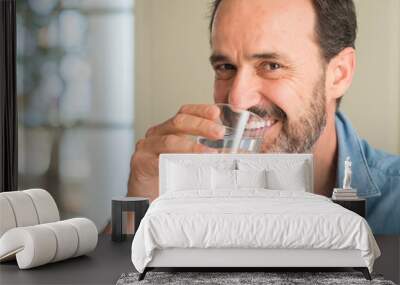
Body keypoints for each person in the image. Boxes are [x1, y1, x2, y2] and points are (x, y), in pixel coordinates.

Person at [128, 0, 400, 234]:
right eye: (225, 66)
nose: (237, 99)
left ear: (339, 73)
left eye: (271, 66)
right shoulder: (186, 192)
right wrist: (139, 210)